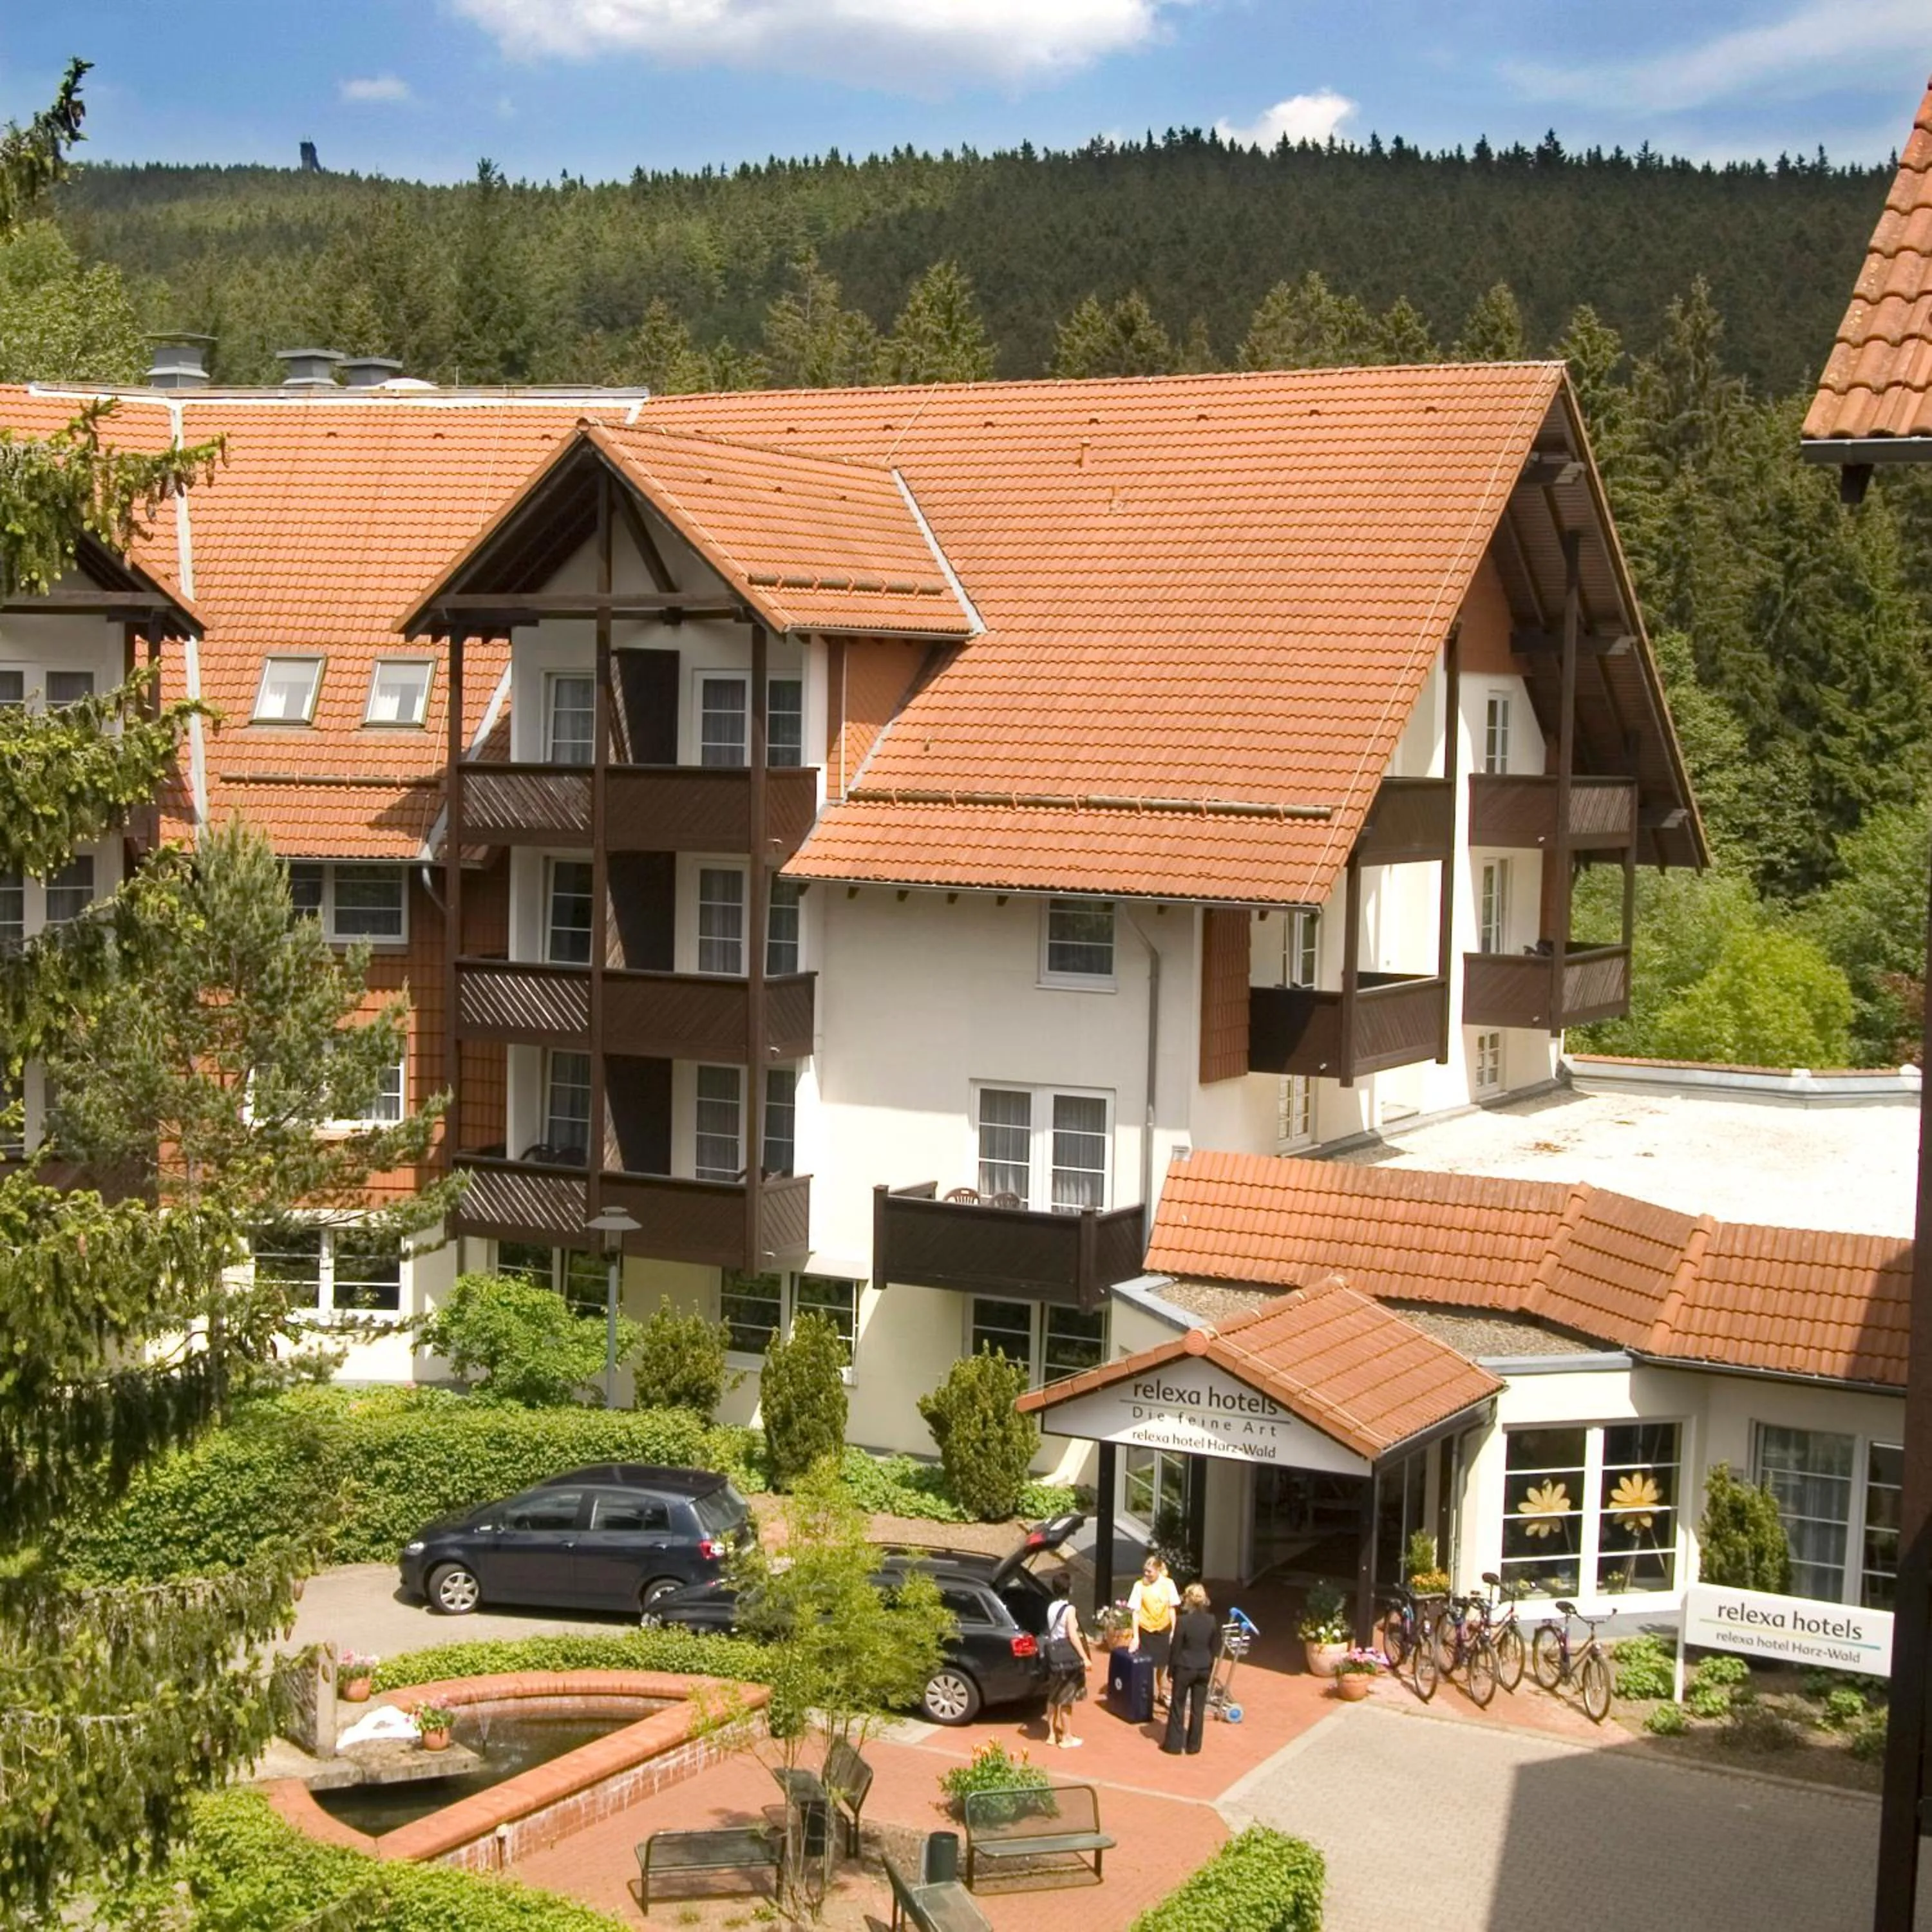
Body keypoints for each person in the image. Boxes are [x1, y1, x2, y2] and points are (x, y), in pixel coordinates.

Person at [1161, 1582, 1219, 1756]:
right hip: (1203, 1667)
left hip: (1185, 1667)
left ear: (1188, 1600)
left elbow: (1176, 1648)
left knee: (1178, 1706)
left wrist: (1171, 1671)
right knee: (1198, 1708)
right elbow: (1214, 1647)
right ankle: (1194, 1746)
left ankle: (1174, 1745)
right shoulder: (1212, 1620)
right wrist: (1210, 1667)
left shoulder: (1183, 1621)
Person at [1043, 1571, 1090, 1748]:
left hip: (1054, 1657)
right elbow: (1072, 1635)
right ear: (1068, 1589)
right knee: (1067, 1698)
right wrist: (1085, 1657)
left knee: (1053, 1696)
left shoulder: (1051, 1608)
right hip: (1068, 1657)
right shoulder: (1070, 1609)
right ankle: (1067, 1737)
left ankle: (1051, 1734)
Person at [1127, 1555, 1180, 1707]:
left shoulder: (1169, 1584)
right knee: (1148, 1665)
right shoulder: (1139, 1586)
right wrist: (1136, 1637)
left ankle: (1162, 1693)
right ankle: (1147, 1694)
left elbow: (1172, 1609)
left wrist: (1173, 1631)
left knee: (1163, 1664)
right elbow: (1135, 1612)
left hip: (1163, 1628)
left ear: (1158, 1570)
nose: (1146, 1574)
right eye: (1145, 1571)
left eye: (1150, 1572)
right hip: (1146, 1629)